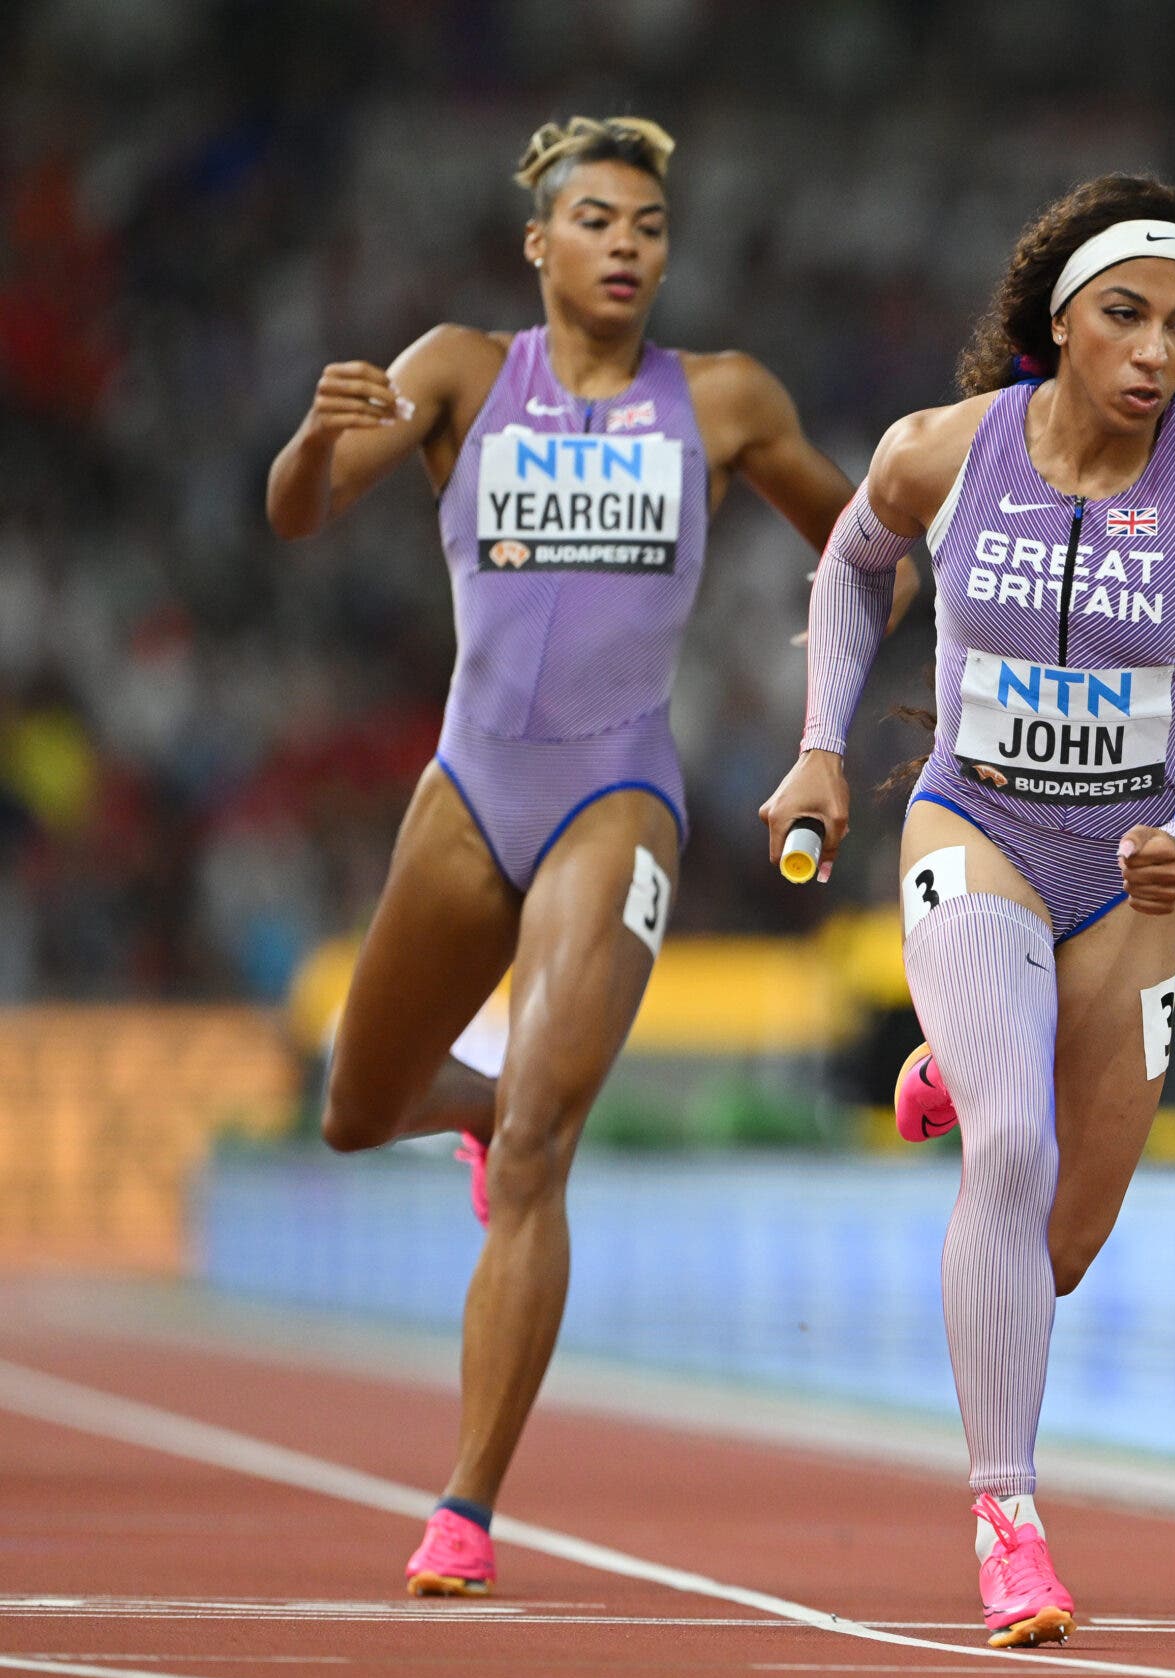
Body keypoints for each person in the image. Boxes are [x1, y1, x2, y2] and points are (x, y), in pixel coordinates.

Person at [265, 116, 889, 1596]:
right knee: (355, 1110)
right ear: (538, 244)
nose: (628, 245)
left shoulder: (723, 400)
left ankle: (465, 1506)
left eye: (651, 226)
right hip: (468, 785)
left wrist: (826, 712)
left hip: (620, 788)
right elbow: (299, 512)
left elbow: (868, 549)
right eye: (598, 220)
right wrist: (309, 432)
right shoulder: (457, 372)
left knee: (548, 1141)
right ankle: (476, 1110)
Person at [760, 173, 1175, 1648]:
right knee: (1012, 1140)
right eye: (1125, 317)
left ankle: (954, 1049)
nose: (1154, 353)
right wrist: (821, 745)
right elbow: (852, 569)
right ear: (1058, 320)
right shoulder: (940, 452)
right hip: (974, 824)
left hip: (1128, 875)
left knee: (1056, 1246)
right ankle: (1009, 1519)